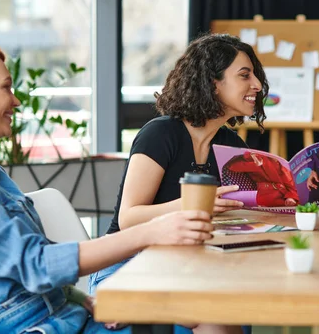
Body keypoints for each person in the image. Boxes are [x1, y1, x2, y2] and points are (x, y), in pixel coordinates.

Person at [0, 42, 215, 334]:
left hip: (68, 316)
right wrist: (150, 231)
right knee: (206, 317)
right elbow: (38, 265)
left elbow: (29, 267)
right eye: (6, 87)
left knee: (204, 314)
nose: (16, 100)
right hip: (43, 326)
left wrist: (84, 299)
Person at [88, 34, 269, 333]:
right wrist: (195, 205)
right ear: (213, 83)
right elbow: (129, 218)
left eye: (256, 76)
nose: (258, 86)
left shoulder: (231, 145)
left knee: (229, 305)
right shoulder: (161, 134)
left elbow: (238, 212)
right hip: (127, 264)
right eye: (244, 75)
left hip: (189, 263)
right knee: (215, 314)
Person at [224, 151, 298, 207]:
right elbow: (232, 167)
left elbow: (290, 182)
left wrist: (291, 197)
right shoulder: (246, 161)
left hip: (281, 196)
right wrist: (253, 163)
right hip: (259, 195)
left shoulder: (278, 166)